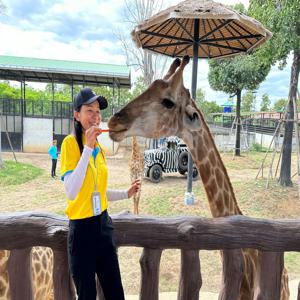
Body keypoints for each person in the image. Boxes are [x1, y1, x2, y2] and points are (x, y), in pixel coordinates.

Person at [60, 87, 140, 300]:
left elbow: (98, 192)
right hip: (82, 231)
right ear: (77, 115)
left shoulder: (100, 150)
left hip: (103, 227)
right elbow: (71, 191)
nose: (96, 116)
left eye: (98, 111)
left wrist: (126, 193)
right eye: (89, 111)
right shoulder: (70, 144)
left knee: (116, 293)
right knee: (86, 295)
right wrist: (87, 147)